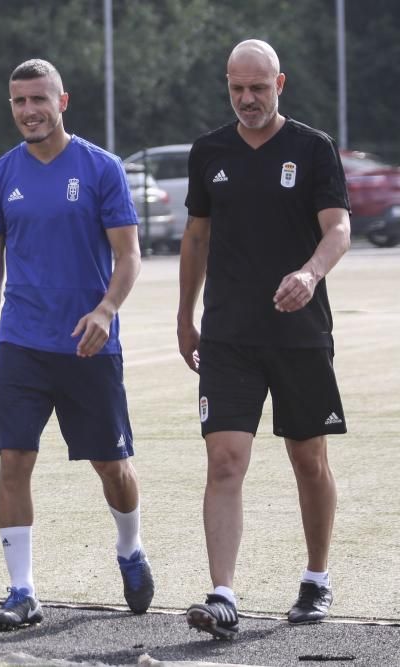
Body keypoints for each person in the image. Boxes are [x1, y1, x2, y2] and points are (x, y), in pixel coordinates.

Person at [177, 39, 351, 640]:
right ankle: (223, 595)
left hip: (300, 334)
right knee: (224, 460)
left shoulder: (312, 148)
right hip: (227, 335)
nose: (247, 99)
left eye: (258, 87)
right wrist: (184, 314)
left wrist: (309, 274)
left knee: (308, 460)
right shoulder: (209, 152)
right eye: (236, 88)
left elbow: (339, 228)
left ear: (282, 83)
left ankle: (316, 578)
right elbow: (195, 239)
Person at [0, 59, 154, 631]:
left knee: (112, 465)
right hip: (21, 343)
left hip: (88, 346)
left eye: (38, 99)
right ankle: (22, 590)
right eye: (19, 101)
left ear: (62, 101)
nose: (29, 111)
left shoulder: (101, 168)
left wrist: (105, 309)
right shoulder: (0, 174)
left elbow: (128, 256)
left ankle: (129, 548)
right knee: (14, 461)